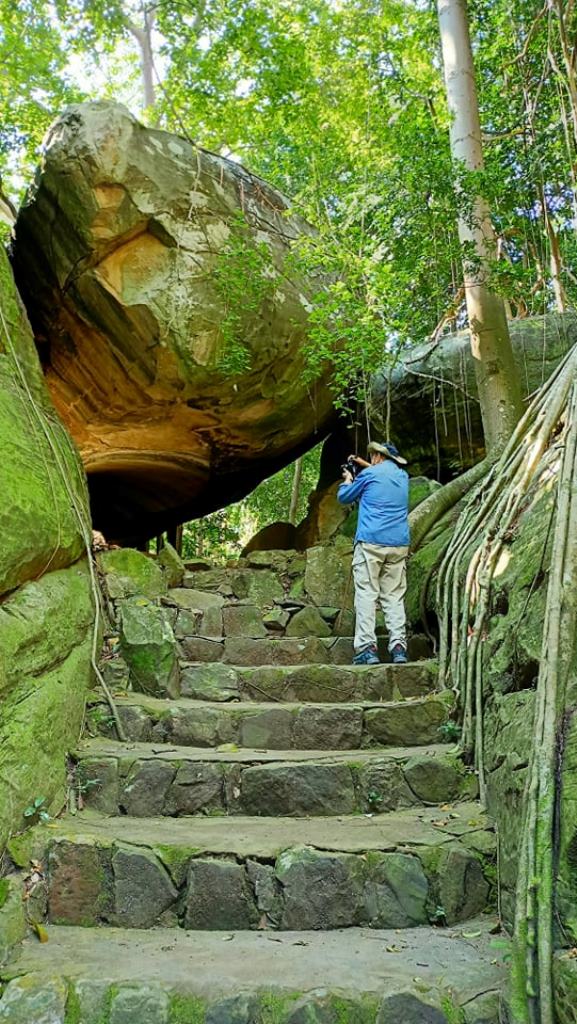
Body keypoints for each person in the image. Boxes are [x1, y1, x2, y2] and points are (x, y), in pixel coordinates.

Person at [337, 441, 410, 665]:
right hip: (398, 544)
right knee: (394, 595)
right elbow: (381, 476)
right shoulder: (402, 477)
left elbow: (345, 497)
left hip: (371, 542)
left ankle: (367, 648)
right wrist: (364, 464)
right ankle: (398, 646)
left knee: (367, 594)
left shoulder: (369, 476)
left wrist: (348, 479)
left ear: (378, 456)